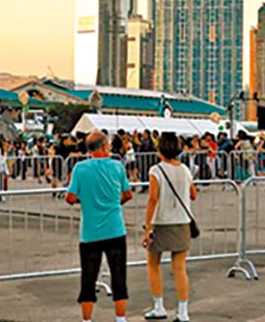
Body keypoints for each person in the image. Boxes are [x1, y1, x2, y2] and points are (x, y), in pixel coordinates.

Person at [65, 131, 132, 322]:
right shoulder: (117, 166)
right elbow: (128, 194)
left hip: (90, 232)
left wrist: (86, 200)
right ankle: (120, 318)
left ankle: (87, 319)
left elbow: (70, 198)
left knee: (88, 277)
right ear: (103, 147)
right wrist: (114, 202)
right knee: (119, 275)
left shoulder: (80, 168)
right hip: (115, 229)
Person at [142, 132, 196, 322]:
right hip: (182, 221)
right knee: (180, 267)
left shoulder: (156, 170)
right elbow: (193, 194)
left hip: (161, 222)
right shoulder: (185, 170)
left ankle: (158, 306)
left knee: (153, 264)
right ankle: (183, 312)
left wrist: (147, 227)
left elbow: (153, 199)